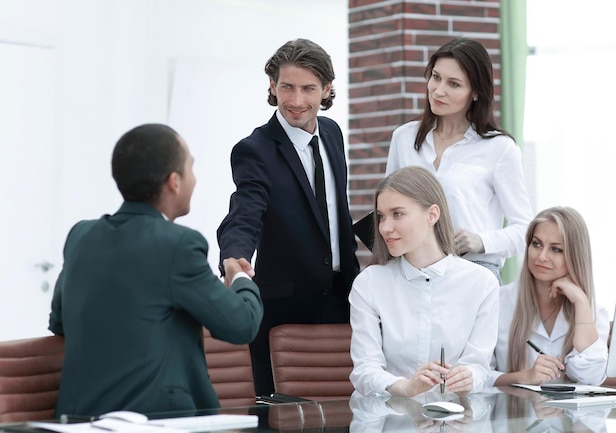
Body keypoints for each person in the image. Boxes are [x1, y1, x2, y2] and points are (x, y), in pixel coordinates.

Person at [48, 124, 263, 416]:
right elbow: (242, 324)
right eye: (191, 168)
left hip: (78, 418)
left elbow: (59, 321)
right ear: (174, 181)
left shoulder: (82, 236)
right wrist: (238, 276)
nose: (195, 179)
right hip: (156, 420)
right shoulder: (179, 245)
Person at [217, 38, 360, 396]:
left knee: (346, 409)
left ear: (327, 89)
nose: (296, 101)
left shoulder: (332, 134)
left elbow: (330, 211)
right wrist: (235, 259)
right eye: (287, 87)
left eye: (309, 88)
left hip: (342, 301)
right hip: (285, 310)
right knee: (280, 416)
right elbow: (245, 210)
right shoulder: (254, 150)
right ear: (272, 86)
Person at [385, 38, 534, 283]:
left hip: (472, 276)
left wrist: (481, 241)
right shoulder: (403, 138)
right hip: (409, 275)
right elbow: (386, 210)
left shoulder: (499, 148)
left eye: (453, 84)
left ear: (475, 92)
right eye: (435, 77)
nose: (439, 90)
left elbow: (525, 230)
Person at [349, 166, 499, 398]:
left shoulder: (481, 283)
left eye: (397, 214)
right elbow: (364, 370)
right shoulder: (368, 284)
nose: (385, 228)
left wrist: (470, 377)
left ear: (432, 214)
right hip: (387, 421)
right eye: (381, 217)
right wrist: (406, 388)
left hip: (454, 419)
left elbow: (480, 368)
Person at [489, 206, 610, 386]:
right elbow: (476, 377)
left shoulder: (592, 311)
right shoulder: (497, 301)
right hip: (510, 412)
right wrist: (525, 377)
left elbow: (592, 378)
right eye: (536, 244)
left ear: (575, 256)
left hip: (569, 414)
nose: (542, 256)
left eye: (556, 249)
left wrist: (581, 301)